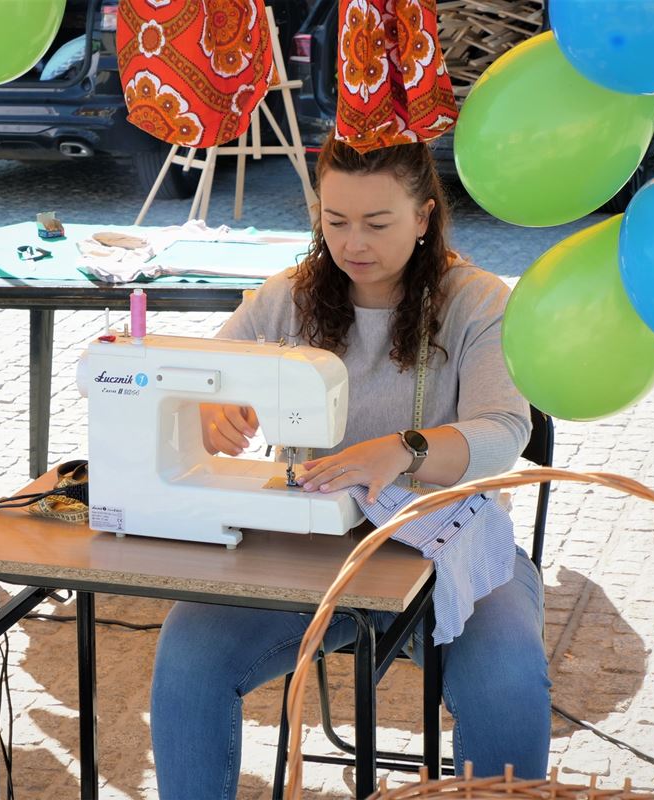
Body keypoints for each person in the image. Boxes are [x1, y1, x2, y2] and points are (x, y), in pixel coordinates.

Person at [149, 136, 551, 798]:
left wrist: (403, 449)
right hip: (310, 552)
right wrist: (205, 409)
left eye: (376, 223)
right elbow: (199, 377)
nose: (352, 243)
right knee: (190, 653)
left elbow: (504, 430)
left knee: (508, 681)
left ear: (423, 217)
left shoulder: (476, 302)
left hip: (454, 549)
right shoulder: (286, 300)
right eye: (334, 222)